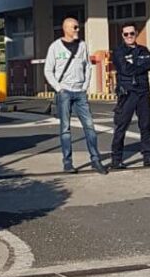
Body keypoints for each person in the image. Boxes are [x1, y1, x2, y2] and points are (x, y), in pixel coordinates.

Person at [43, 18, 107, 175]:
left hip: (80, 93)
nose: (78, 30)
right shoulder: (55, 47)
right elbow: (47, 70)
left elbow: (88, 67)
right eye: (75, 27)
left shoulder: (82, 46)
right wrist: (59, 88)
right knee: (65, 129)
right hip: (64, 92)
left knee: (90, 126)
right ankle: (67, 162)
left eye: (78, 27)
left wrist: (85, 87)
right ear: (66, 29)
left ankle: (95, 160)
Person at [110, 22, 150, 169]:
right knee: (122, 125)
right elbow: (125, 69)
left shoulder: (143, 50)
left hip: (143, 92)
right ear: (122, 36)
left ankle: (148, 155)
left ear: (136, 34)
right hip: (127, 93)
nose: (129, 36)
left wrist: (136, 65)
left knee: (145, 125)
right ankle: (116, 158)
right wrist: (140, 66)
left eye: (132, 33)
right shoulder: (119, 51)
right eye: (126, 34)